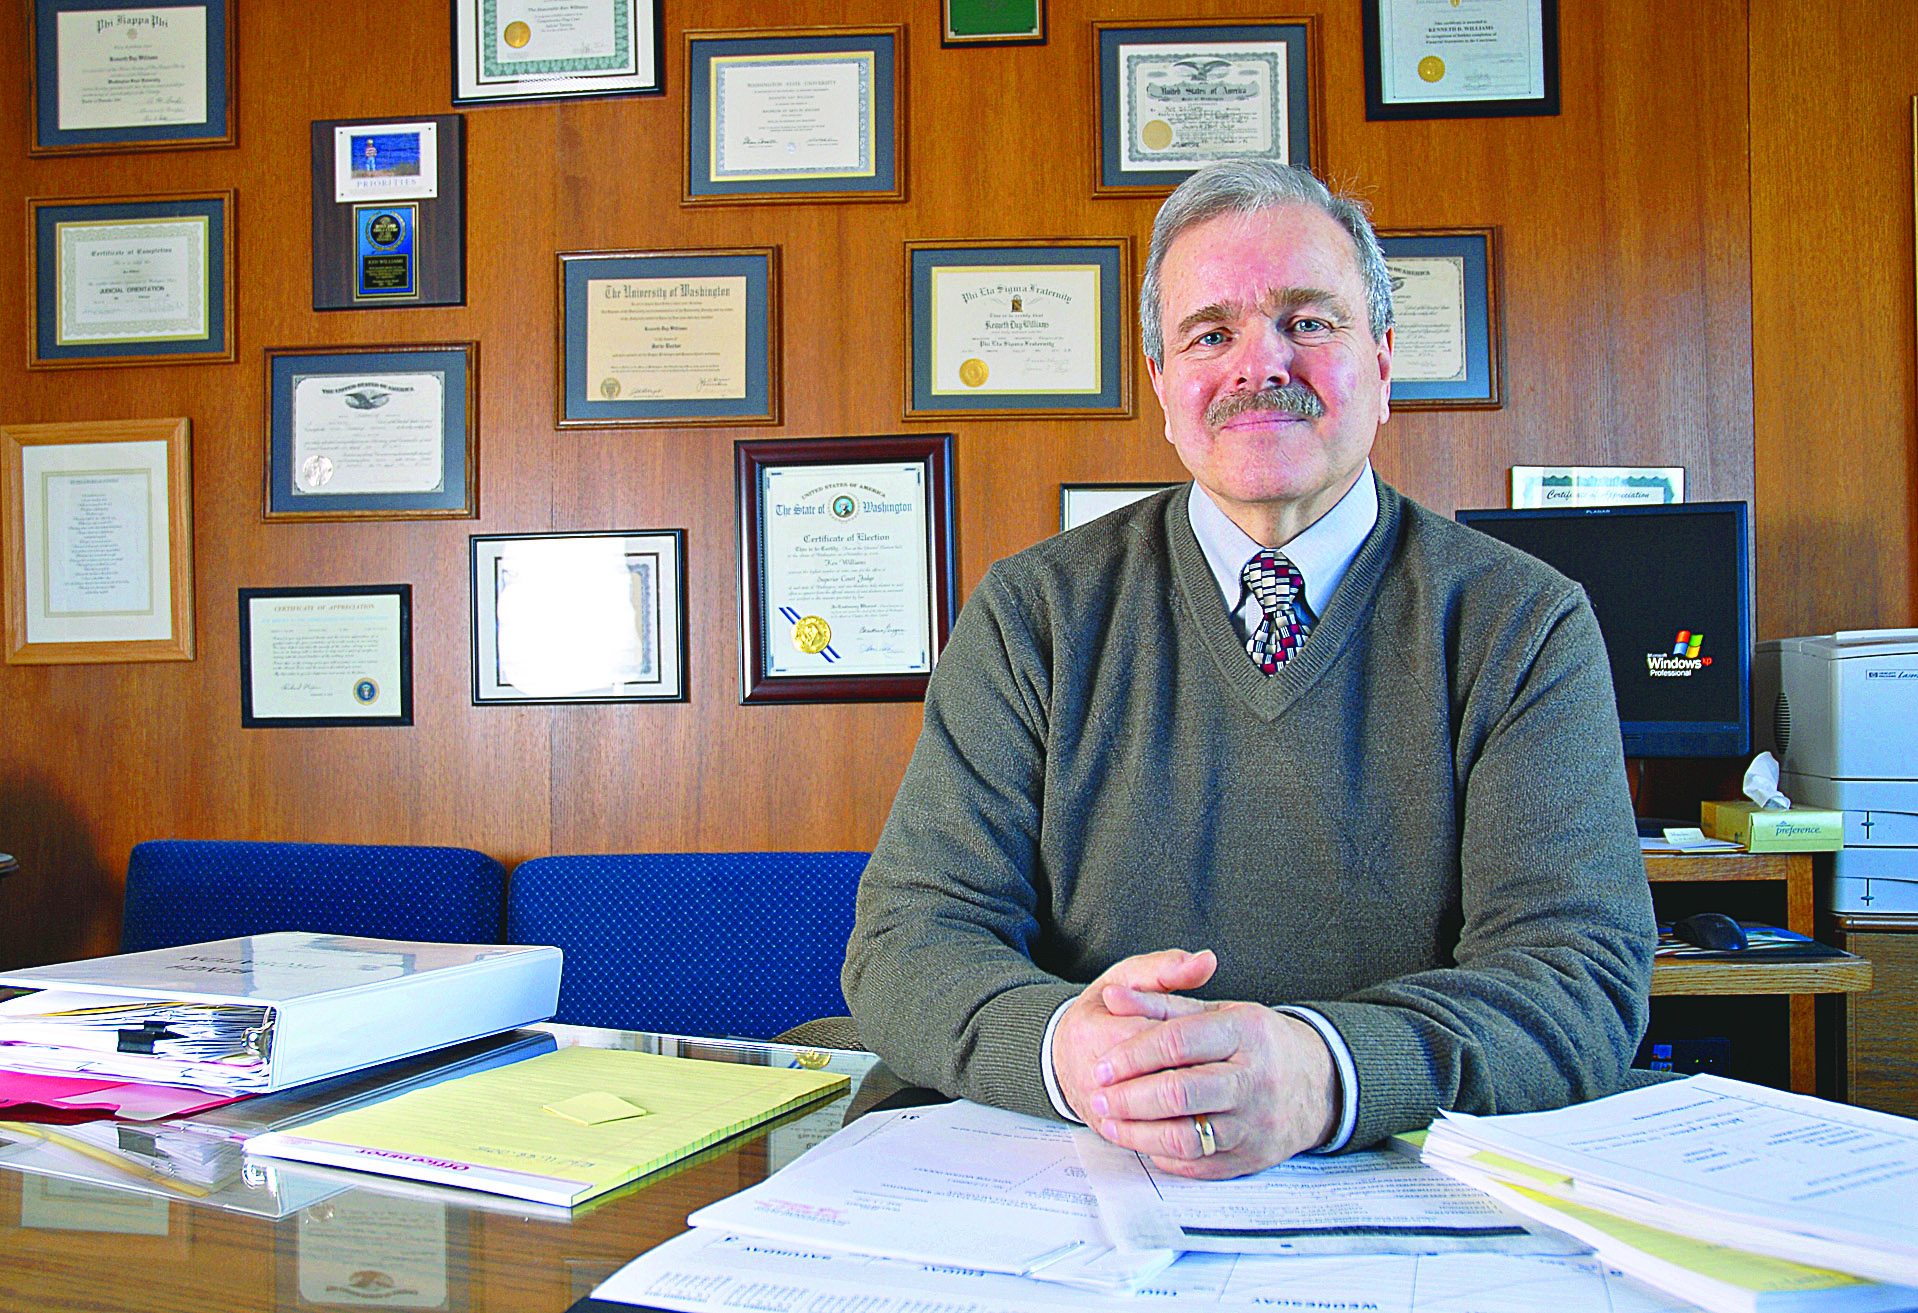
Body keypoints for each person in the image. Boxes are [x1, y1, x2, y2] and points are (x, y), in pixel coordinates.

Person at [842, 159, 1655, 1180]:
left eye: (1308, 322)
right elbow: (910, 938)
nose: (1257, 364)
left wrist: (1323, 1068)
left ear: (1383, 363)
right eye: (1211, 332)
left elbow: (1576, 976)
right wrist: (1075, 1052)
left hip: (1395, 1186)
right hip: (1069, 1174)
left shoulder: (1520, 620)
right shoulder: (1031, 612)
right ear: (1163, 388)